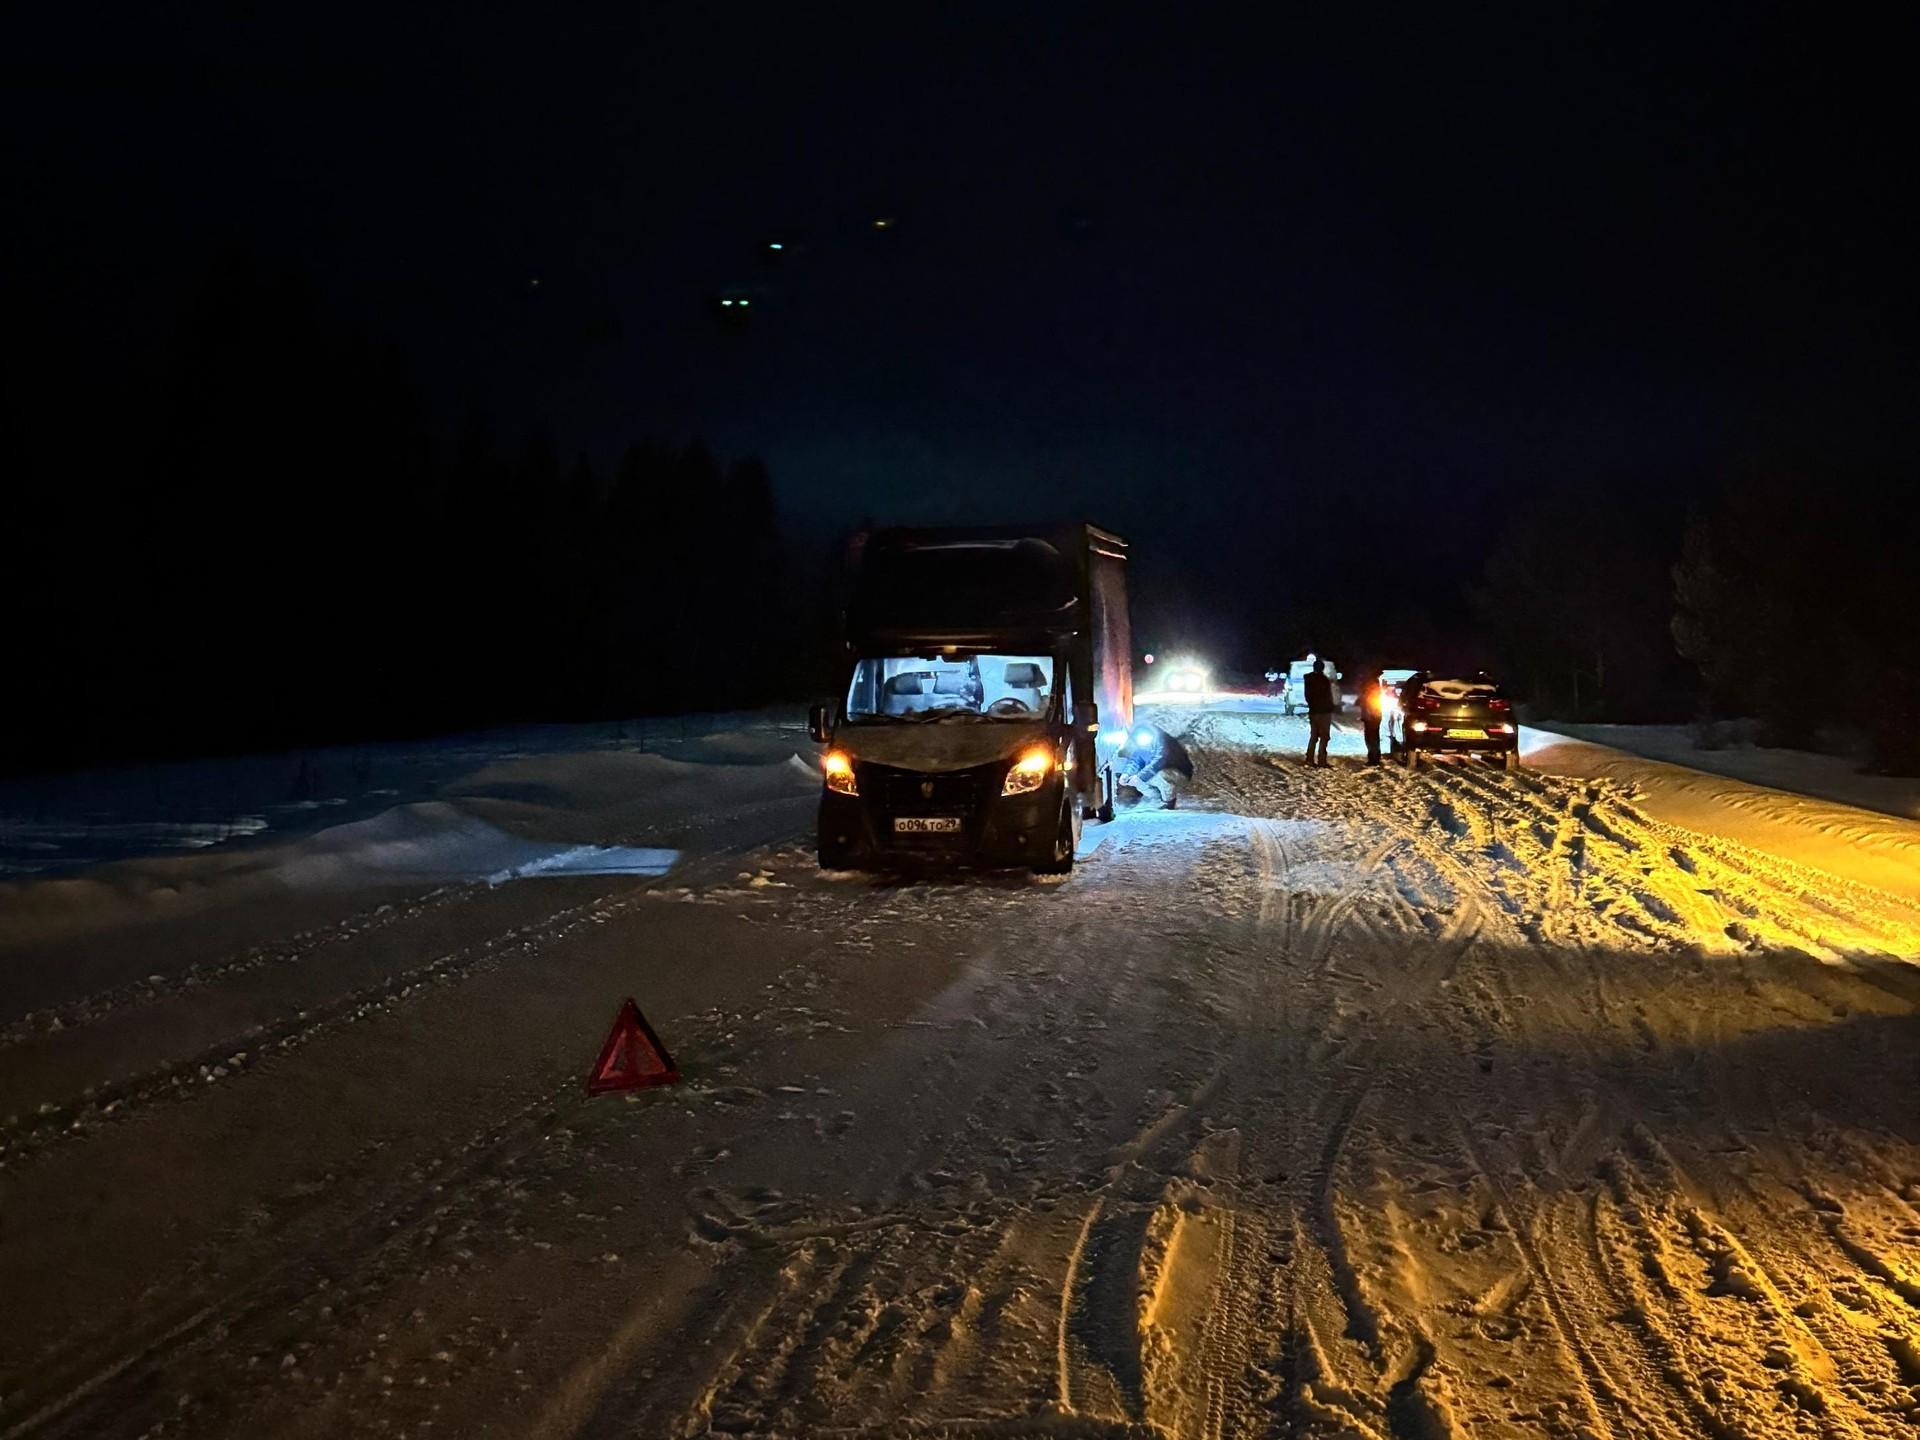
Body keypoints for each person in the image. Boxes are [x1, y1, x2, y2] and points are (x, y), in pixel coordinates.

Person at [1116, 722, 1194, 808]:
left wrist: (1141, 776)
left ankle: (1169, 801)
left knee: (1160, 776)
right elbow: (1135, 760)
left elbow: (1160, 761)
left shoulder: (1163, 741)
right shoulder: (1141, 744)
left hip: (1177, 772)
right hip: (1155, 773)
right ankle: (1156, 800)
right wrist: (1126, 774)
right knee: (1138, 781)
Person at [1304, 658, 1335, 767]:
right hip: (1324, 712)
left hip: (1314, 711)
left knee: (1314, 736)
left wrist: (1312, 705)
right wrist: (1331, 707)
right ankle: (1322, 760)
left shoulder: (1308, 679)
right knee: (1324, 736)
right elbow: (1328, 696)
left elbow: (1307, 696)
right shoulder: (1323, 680)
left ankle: (1309, 758)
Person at [1358, 666, 1384, 765]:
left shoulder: (1371, 683)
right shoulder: (1374, 683)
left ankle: (1373, 758)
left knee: (1371, 737)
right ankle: (1375, 757)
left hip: (1371, 715)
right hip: (1374, 714)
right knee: (1373, 736)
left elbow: (1368, 699)